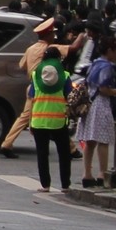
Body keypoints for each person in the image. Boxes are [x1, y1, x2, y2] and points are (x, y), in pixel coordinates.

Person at [0, 18, 62, 159]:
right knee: (56, 115)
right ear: (48, 35)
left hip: (33, 86)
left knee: (26, 117)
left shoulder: (30, 49)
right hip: (45, 89)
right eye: (53, 34)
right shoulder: (51, 50)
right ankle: (70, 148)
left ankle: (7, 144)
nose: (54, 37)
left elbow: (22, 65)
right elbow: (73, 48)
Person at [25, 37, 74, 192]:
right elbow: (70, 96)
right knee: (64, 153)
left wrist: (31, 122)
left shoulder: (35, 76)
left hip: (39, 120)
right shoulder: (65, 76)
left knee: (42, 154)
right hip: (59, 120)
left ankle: (45, 185)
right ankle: (65, 185)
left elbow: (32, 99)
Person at [77, 35, 116, 188]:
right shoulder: (106, 66)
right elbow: (103, 89)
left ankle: (87, 174)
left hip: (89, 103)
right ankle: (102, 173)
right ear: (109, 50)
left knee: (89, 141)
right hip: (101, 104)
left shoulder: (94, 63)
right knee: (103, 141)